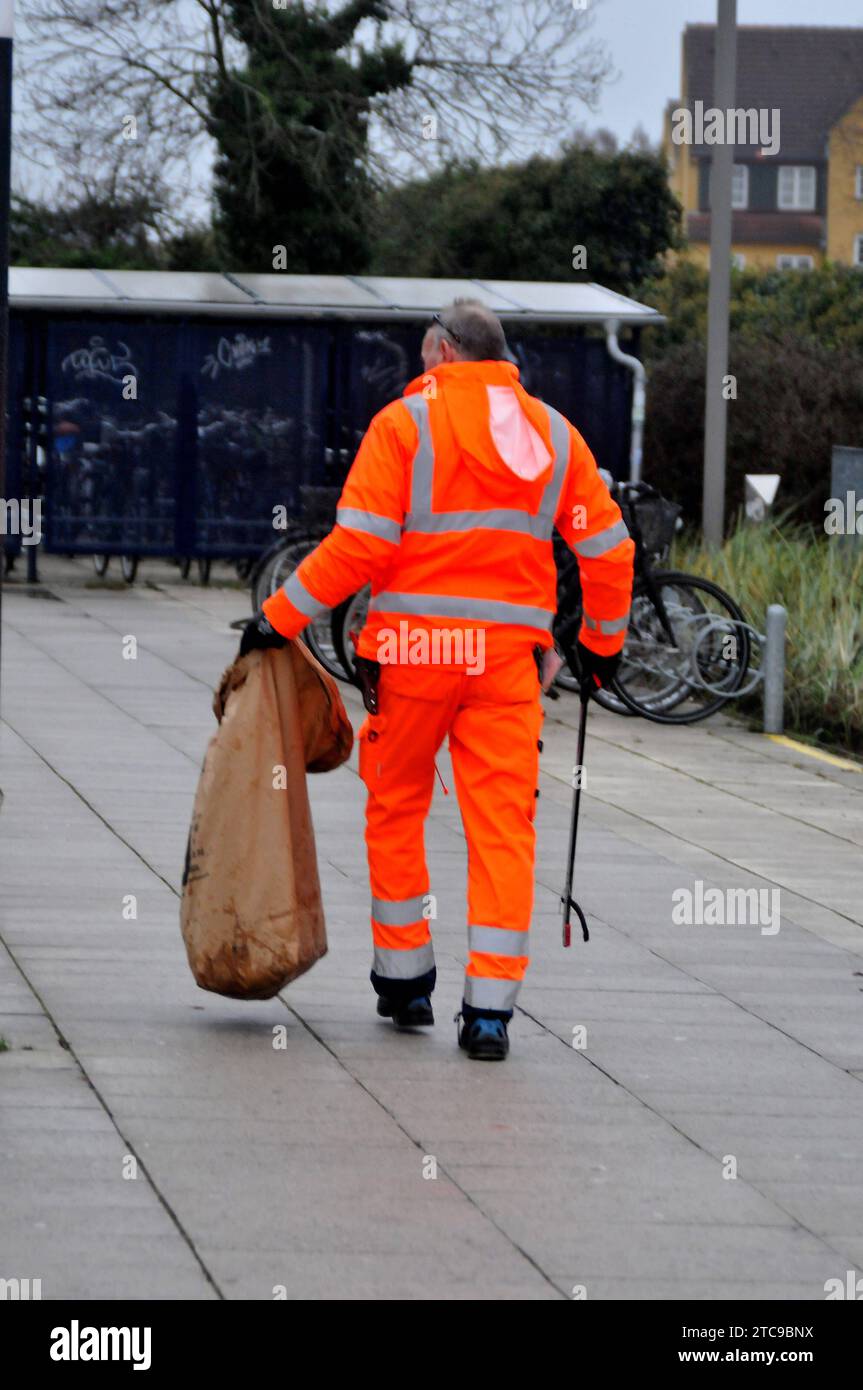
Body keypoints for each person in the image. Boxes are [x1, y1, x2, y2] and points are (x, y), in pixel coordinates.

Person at [241, 300, 634, 1060]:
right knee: (501, 831)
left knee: (397, 811)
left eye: (427, 358)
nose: (423, 369)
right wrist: (601, 646)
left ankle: (404, 980)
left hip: (415, 658)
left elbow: (357, 548)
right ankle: (488, 1012)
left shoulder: (404, 426)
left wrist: (279, 617)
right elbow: (609, 551)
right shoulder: (554, 435)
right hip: (505, 670)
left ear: (443, 353)